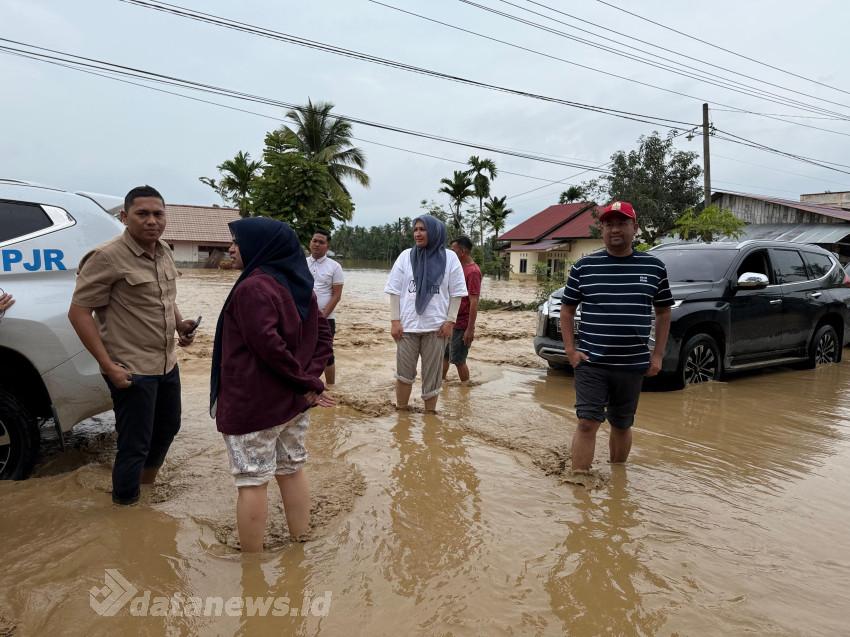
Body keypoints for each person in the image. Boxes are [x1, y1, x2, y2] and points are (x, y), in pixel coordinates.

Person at [211, 217, 335, 553]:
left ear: (260, 246)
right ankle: (301, 544)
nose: (231, 248)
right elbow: (324, 335)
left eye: (237, 241)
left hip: (255, 403)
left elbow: (268, 348)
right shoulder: (297, 283)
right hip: (294, 402)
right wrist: (310, 381)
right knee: (291, 470)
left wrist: (305, 380)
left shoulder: (253, 287)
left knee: (252, 481)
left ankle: (251, 571)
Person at [68, 185, 197, 505]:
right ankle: (125, 509)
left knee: (168, 428)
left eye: (158, 214)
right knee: (134, 443)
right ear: (125, 217)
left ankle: (146, 488)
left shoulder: (164, 250)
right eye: (142, 214)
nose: (152, 220)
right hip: (131, 368)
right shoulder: (106, 257)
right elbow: (79, 312)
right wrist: (108, 366)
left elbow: (166, 296)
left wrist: (180, 323)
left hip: (167, 362)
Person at [559, 201, 673, 473]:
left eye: (622, 223)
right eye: (608, 224)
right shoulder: (584, 267)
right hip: (592, 362)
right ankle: (580, 482)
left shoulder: (654, 267)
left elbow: (664, 312)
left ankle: (617, 481)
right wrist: (571, 351)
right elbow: (566, 309)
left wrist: (657, 355)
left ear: (635, 227)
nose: (615, 229)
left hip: (632, 364)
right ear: (601, 229)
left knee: (622, 424)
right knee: (587, 422)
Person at [384, 215, 467, 412]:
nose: (418, 233)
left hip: (436, 328)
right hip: (407, 326)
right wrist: (395, 321)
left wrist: (450, 322)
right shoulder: (405, 256)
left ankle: (430, 417)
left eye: (423, 229)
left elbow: (457, 293)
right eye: (415, 229)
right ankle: (401, 413)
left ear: (434, 232)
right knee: (403, 374)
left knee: (433, 376)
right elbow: (394, 290)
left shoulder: (449, 258)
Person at [306, 229, 344, 385]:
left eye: (321, 242)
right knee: (303, 352)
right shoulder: (300, 263)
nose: (316, 244)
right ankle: (305, 386)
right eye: (314, 240)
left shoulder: (335, 267)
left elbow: (336, 295)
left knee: (327, 354)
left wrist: (322, 315)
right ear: (310, 242)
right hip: (302, 317)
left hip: (326, 319)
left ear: (327, 246)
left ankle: (330, 388)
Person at [442, 236, 482, 382]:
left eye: (454, 250)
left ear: (463, 252)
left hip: (462, 324)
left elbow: (474, 302)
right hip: (450, 321)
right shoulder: (457, 268)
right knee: (444, 356)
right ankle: (441, 385)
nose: (451, 254)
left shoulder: (473, 272)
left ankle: (465, 392)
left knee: (459, 360)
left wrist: (470, 329)